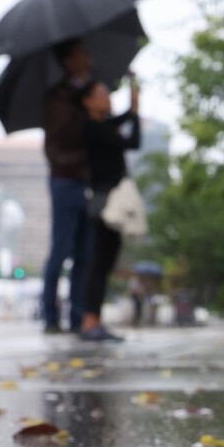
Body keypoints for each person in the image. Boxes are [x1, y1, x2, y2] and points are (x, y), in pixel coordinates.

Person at [77, 75, 141, 342]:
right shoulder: (92, 128)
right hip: (105, 202)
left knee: (104, 263)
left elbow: (127, 121)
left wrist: (135, 95)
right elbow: (132, 141)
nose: (107, 96)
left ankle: (94, 320)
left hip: (110, 200)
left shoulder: (103, 125)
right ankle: (90, 321)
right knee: (99, 263)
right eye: (102, 93)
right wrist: (133, 113)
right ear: (88, 101)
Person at [41, 39, 94, 334]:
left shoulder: (90, 93)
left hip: (88, 182)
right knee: (60, 249)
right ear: (68, 60)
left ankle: (78, 316)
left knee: (86, 252)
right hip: (64, 179)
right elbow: (56, 145)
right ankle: (50, 317)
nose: (88, 57)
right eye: (83, 52)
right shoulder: (58, 97)